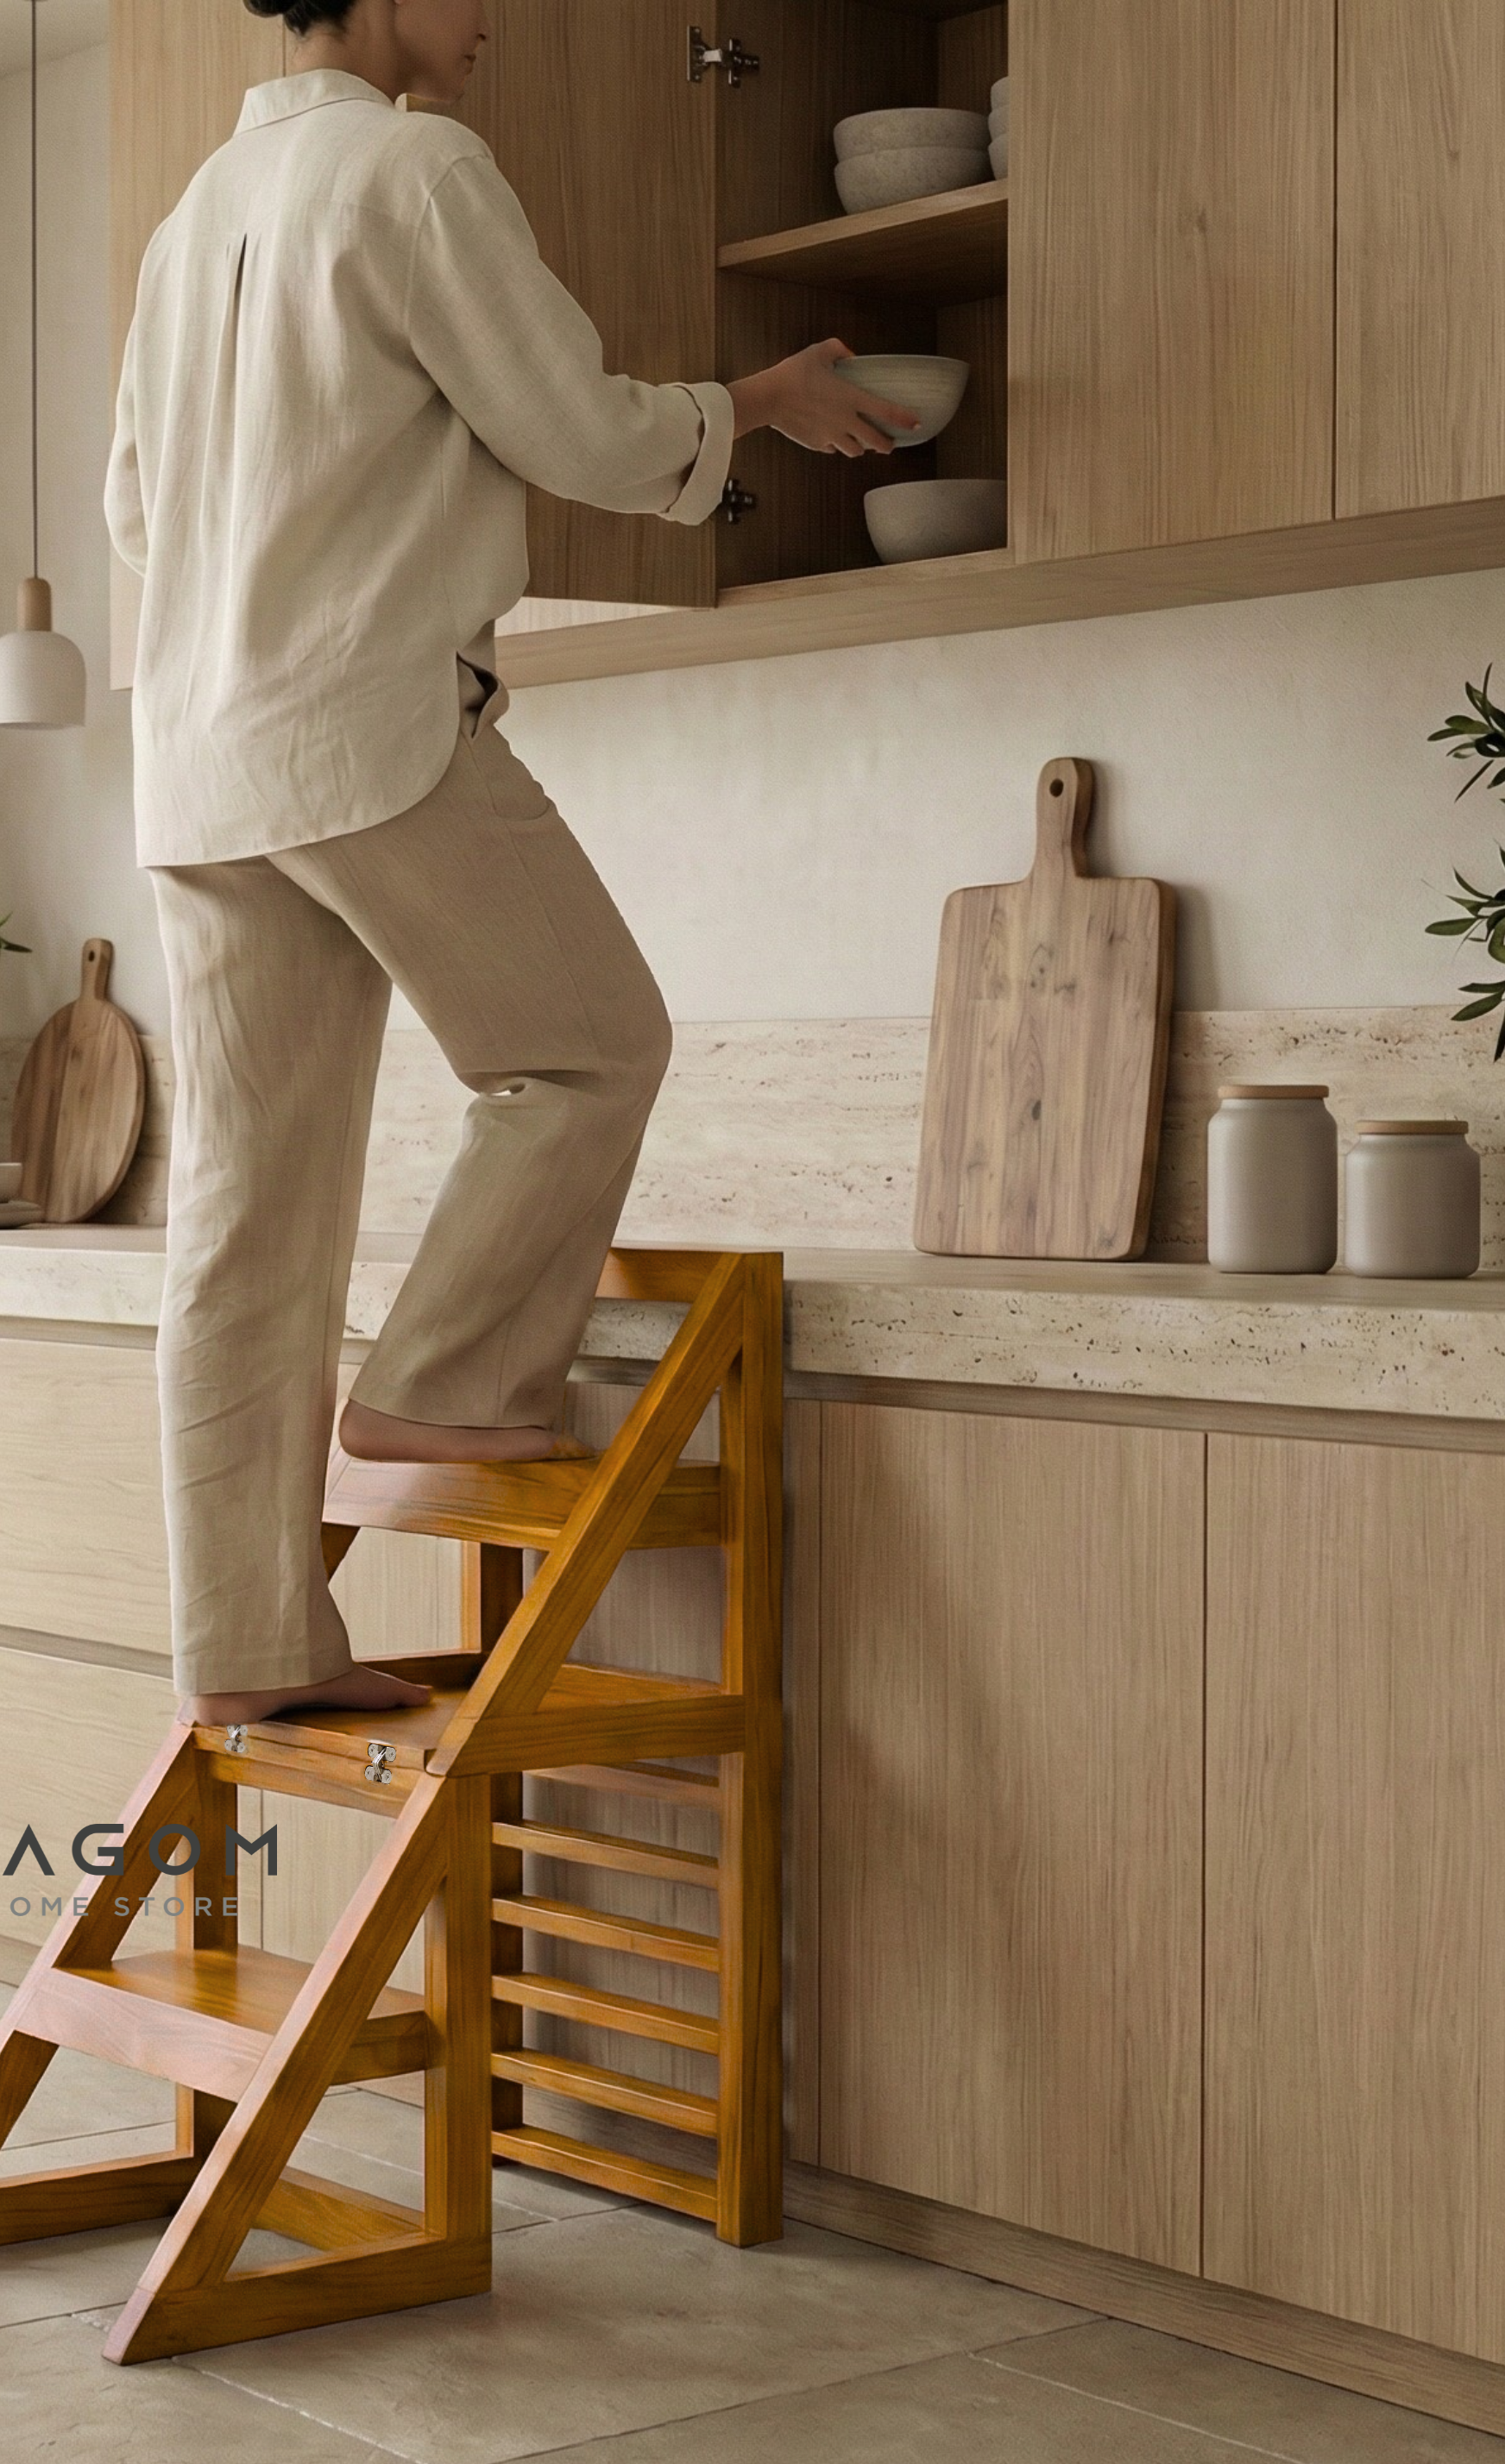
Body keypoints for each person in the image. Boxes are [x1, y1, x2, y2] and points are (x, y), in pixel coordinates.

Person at [106, 0, 910, 1733]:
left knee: (244, 1223)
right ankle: (452, 1381)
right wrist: (748, 407)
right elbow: (576, 429)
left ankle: (246, 1640)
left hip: (197, 764)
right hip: (361, 728)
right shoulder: (412, 169)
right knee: (587, 1048)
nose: (489, 28)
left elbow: (130, 511)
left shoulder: (190, 226)